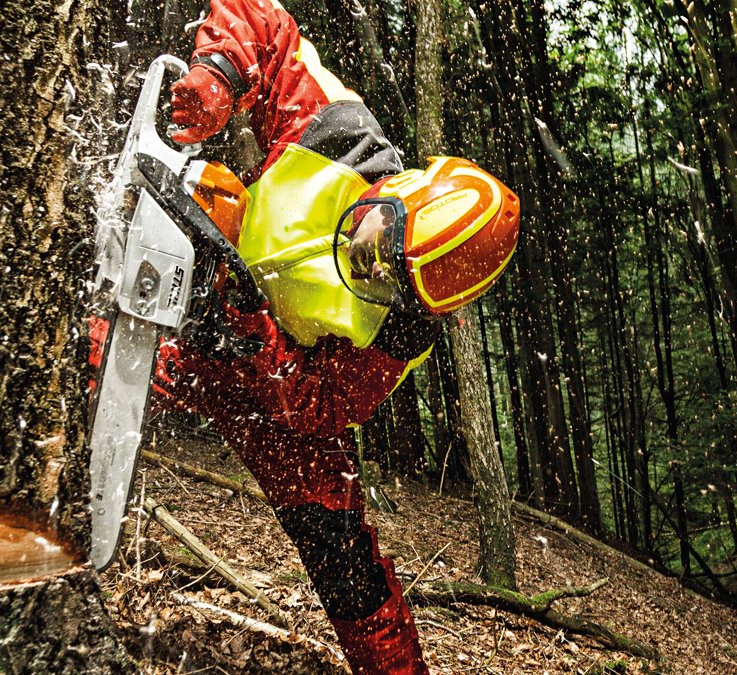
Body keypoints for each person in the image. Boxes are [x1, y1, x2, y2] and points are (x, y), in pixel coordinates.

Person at [144, 1, 519, 672]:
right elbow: (263, 20)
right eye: (380, 237)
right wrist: (220, 72)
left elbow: (323, 404)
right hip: (196, 305)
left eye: (384, 278)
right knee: (82, 369)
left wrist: (254, 332)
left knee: (345, 559)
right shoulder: (341, 132)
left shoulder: (403, 331)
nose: (362, 261)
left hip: (275, 385)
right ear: (404, 186)